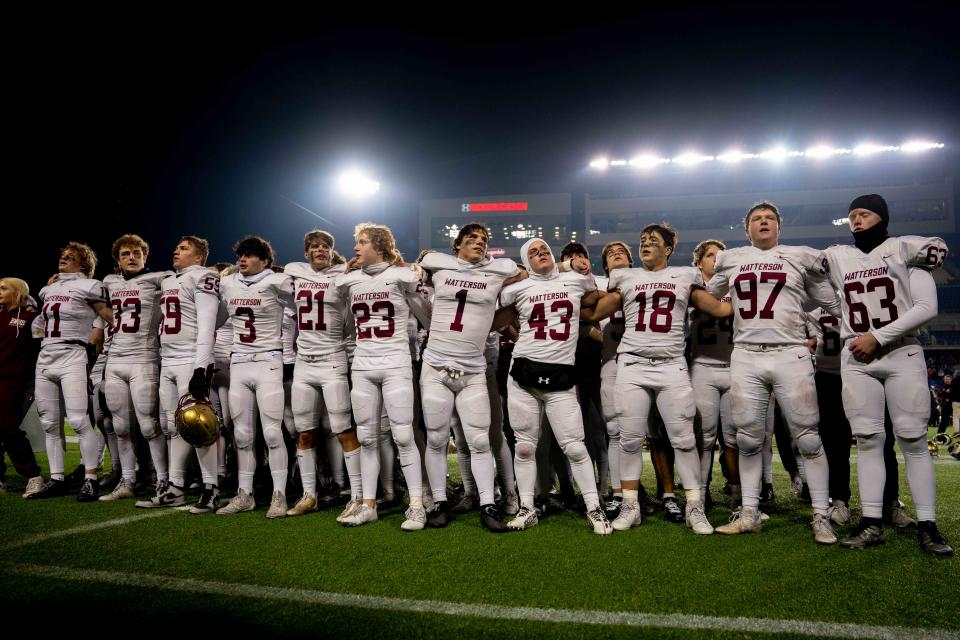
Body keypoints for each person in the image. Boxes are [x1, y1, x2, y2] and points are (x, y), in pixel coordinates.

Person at [810, 193, 952, 556]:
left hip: (901, 350)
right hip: (856, 357)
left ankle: (929, 526)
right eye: (852, 215)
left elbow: (927, 306)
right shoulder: (840, 256)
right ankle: (871, 522)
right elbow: (808, 275)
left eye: (865, 214)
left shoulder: (905, 249)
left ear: (882, 218)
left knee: (913, 440)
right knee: (869, 440)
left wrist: (878, 336)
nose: (856, 220)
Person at [582, 224, 730, 535]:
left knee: (684, 440)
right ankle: (630, 505)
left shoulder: (685, 276)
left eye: (653, 241)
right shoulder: (627, 277)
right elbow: (594, 313)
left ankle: (694, 506)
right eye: (643, 241)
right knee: (630, 439)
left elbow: (717, 308)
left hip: (671, 365)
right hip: (632, 364)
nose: (646, 244)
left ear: (668, 250)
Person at [706, 202, 836, 545]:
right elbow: (711, 295)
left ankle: (821, 514)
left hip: (790, 352)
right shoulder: (731, 258)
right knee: (748, 439)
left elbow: (827, 300)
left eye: (769, 219)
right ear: (746, 229)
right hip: (746, 353)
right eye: (756, 220)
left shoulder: (798, 256)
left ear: (779, 226)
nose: (763, 223)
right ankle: (749, 512)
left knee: (807, 437)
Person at [495, 238, 611, 534]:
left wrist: (570, 267)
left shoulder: (576, 279)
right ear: (526, 260)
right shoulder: (515, 289)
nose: (540, 253)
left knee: (574, 446)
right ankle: (526, 506)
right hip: (523, 372)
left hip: (561, 374)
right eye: (532, 252)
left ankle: (594, 508)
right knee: (524, 447)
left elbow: (598, 292)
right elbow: (496, 296)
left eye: (544, 249)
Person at [417, 223, 522, 532]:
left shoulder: (496, 271)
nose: (480, 242)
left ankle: (488, 504)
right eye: (472, 238)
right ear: (457, 245)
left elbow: (524, 273)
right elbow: (416, 270)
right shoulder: (438, 264)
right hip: (436, 366)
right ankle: (439, 502)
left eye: (484, 239)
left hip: (474, 368)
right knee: (437, 438)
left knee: (479, 439)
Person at [335, 223, 431, 530]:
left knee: (403, 435)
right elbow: (348, 326)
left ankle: (417, 505)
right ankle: (368, 504)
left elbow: (427, 316)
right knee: (367, 437)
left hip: (396, 364)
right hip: (363, 365)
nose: (356, 248)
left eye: (362, 242)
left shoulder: (402, 276)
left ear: (380, 245)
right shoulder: (350, 282)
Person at [216, 235, 296, 517]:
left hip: (268, 360)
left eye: (250, 255)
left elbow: (304, 311)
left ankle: (279, 494)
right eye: (241, 254)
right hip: (239, 361)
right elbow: (216, 319)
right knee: (241, 435)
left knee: (273, 433)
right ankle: (245, 494)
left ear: (265, 261)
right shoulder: (227, 283)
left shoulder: (277, 282)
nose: (243, 259)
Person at [27, 242, 113, 500]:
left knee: (78, 420)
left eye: (71, 256)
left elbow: (106, 314)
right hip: (45, 354)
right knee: (50, 423)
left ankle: (90, 478)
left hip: (72, 354)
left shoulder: (91, 285)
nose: (64, 257)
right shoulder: (48, 288)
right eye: (63, 254)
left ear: (84, 264)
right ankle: (57, 478)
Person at [284, 230, 361, 518]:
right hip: (304, 362)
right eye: (314, 247)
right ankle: (309, 495)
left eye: (325, 246)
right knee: (304, 433)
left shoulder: (343, 274)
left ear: (332, 251)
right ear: (306, 253)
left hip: (332, 359)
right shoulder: (297, 271)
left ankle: (357, 495)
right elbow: (286, 271)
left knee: (342, 429)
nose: (320, 250)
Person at [93, 235, 171, 504]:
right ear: (118, 259)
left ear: (145, 256)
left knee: (149, 425)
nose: (132, 257)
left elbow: (185, 282)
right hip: (115, 359)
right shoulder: (109, 282)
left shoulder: (159, 278)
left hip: (145, 357)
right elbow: (92, 299)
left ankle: (162, 480)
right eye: (126, 254)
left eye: (137, 253)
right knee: (121, 425)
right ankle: (128, 480)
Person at [688, 239, 738, 509]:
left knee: (733, 437)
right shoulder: (690, 289)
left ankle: (738, 493)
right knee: (704, 437)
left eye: (720, 255)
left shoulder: (737, 286)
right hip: (703, 367)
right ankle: (700, 493)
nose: (716, 260)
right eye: (710, 255)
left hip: (735, 368)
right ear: (699, 262)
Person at [0, 277, 43, 496]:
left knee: (8, 428)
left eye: (3, 288)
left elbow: (42, 348)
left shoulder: (31, 318)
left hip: (14, 382)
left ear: (17, 293)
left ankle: (33, 475)